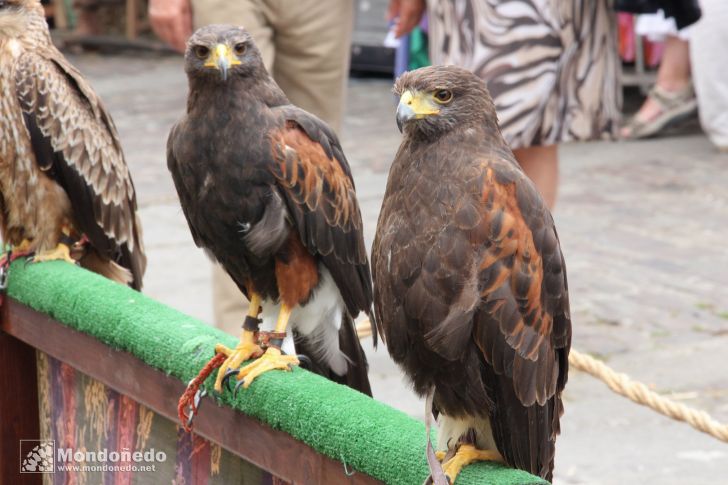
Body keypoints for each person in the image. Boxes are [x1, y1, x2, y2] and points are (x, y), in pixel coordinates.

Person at [149, 0, 355, 333]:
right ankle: (248, 331)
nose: (222, 60)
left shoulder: (288, 135)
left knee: (306, 138)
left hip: (311, 280)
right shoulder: (183, 140)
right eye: (203, 53)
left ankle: (280, 336)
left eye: (239, 50)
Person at [388, 0, 621, 208]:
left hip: (548, 10)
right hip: (473, 12)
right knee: (454, 108)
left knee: (538, 130)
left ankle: (524, 248)